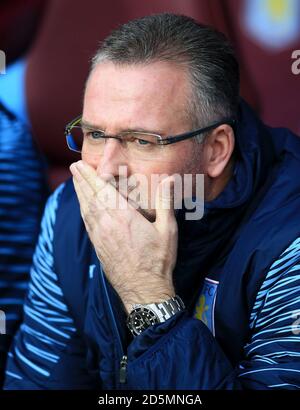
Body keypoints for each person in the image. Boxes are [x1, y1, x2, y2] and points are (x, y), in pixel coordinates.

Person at [4, 13, 300, 390]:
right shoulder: (69, 212)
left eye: (142, 141)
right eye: (94, 134)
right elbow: (35, 382)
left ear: (216, 150)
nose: (106, 170)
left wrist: (148, 296)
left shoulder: (290, 242)